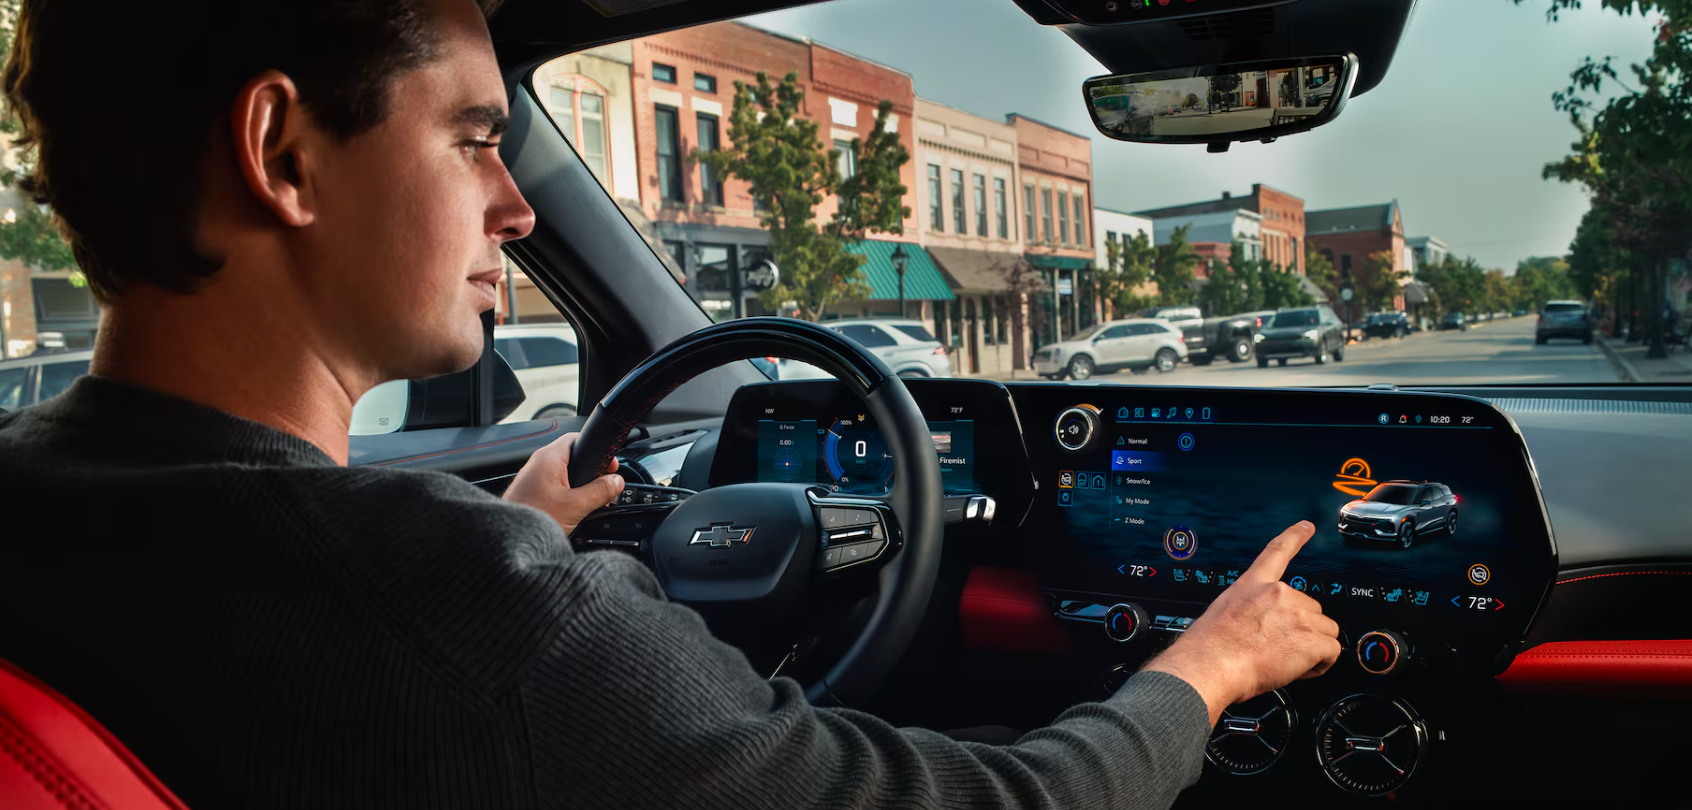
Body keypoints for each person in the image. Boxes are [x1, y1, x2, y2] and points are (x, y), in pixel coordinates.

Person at [0, 0, 1341, 808]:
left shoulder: (41, 501)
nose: (517, 204)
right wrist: (1208, 664)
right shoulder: (470, 614)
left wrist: (525, 534)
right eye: (475, 138)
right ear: (283, 152)